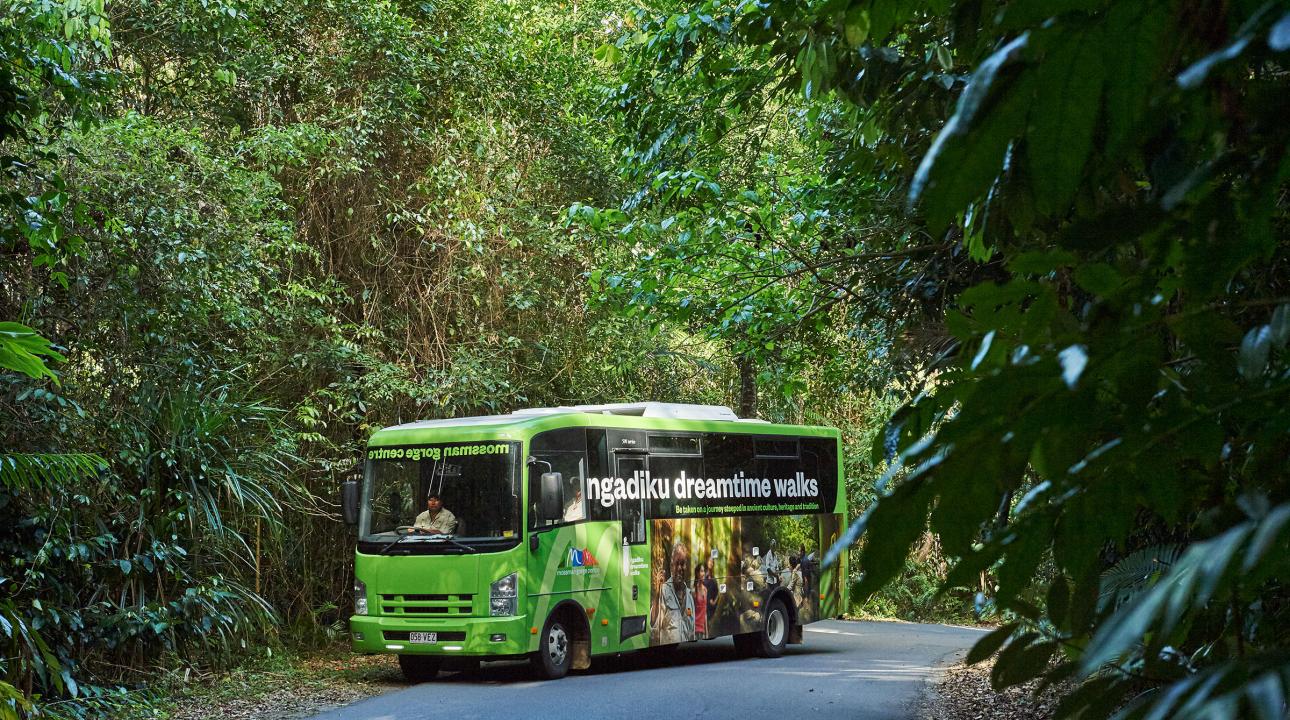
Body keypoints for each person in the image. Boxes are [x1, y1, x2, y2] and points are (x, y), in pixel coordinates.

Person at [651, 542, 695, 644]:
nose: (680, 568)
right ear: (671, 566)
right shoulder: (664, 590)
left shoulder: (689, 597)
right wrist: (657, 591)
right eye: (677, 563)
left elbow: (692, 633)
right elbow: (653, 625)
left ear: (686, 566)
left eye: (682, 563)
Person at [693, 563, 709, 638]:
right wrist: (690, 626)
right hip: (694, 630)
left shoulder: (705, 590)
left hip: (702, 630)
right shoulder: (693, 590)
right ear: (697, 573)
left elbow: (704, 612)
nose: (703, 573)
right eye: (701, 571)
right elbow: (688, 609)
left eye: (704, 571)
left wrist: (707, 632)